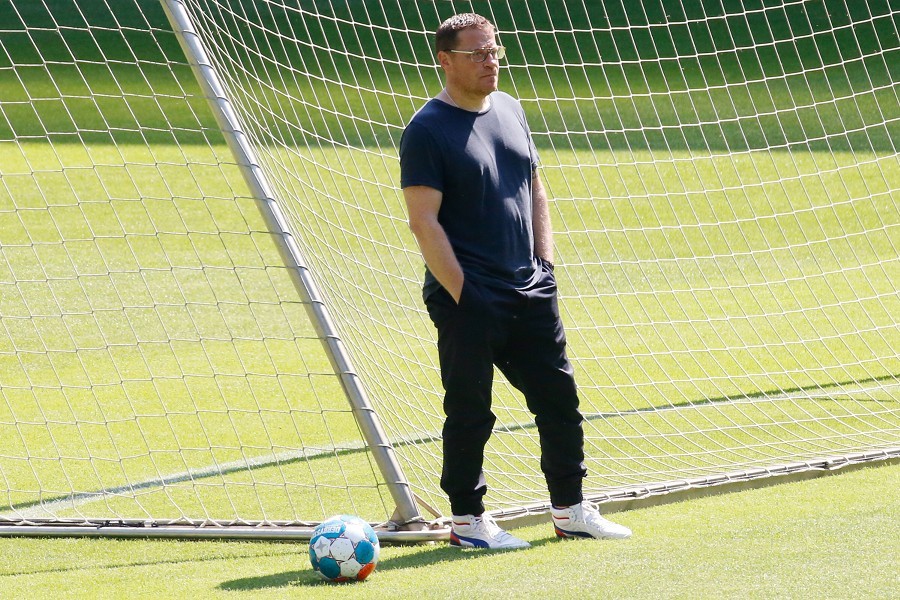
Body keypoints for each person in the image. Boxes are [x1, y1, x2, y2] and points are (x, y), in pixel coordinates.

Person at [399, 13, 632, 550]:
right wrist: (464, 291)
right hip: (468, 297)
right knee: (470, 410)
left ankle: (571, 509)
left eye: (494, 51)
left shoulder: (509, 108)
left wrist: (544, 266)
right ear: (445, 60)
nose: (490, 61)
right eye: (477, 53)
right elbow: (423, 221)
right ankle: (467, 522)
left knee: (559, 399)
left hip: (530, 288)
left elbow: (535, 186)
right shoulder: (427, 130)